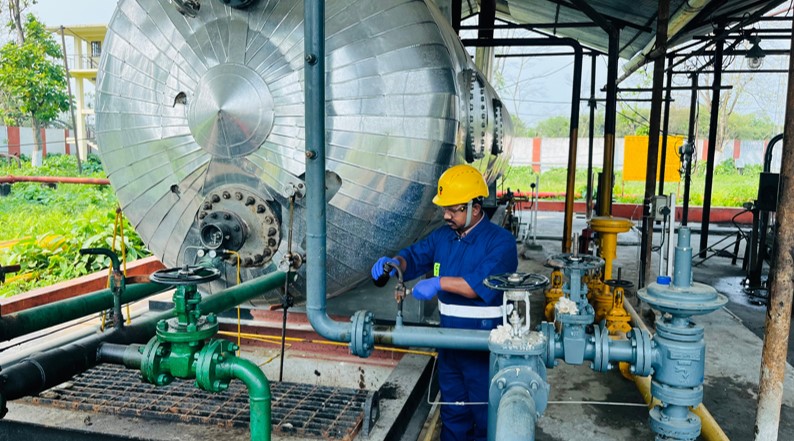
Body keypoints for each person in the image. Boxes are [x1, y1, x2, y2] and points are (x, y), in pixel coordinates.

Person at [371, 164, 518, 441]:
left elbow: (478, 285)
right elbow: (414, 256)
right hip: (450, 347)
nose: (446, 215)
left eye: (453, 209)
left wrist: (438, 283)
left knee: (487, 418)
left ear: (476, 208)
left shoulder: (501, 243)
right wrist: (395, 263)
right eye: (444, 208)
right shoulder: (443, 236)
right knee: (453, 415)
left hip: (484, 351)